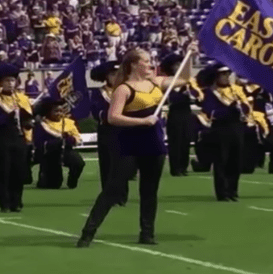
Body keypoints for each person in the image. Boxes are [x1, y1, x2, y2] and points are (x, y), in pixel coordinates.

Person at [77, 46, 197, 248]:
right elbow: (112, 117)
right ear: (134, 64)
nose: (150, 64)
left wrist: (191, 56)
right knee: (113, 189)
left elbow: (183, 79)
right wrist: (142, 122)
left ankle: (147, 233)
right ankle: (88, 232)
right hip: (129, 143)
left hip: (154, 143)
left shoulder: (155, 82)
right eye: (146, 60)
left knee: (150, 191)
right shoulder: (123, 88)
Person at [199, 64, 251, 202]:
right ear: (217, 76)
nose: (226, 77)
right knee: (221, 161)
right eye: (223, 74)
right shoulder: (211, 92)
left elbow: (247, 107)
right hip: (221, 129)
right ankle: (222, 192)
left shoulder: (237, 90)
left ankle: (233, 190)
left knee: (236, 160)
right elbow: (211, 112)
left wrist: (241, 108)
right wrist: (230, 109)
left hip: (236, 127)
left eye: (228, 74)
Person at [0, 63, 34, 212]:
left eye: (12, 80)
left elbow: (27, 120)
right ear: (0, 82)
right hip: (2, 139)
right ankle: (4, 203)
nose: (10, 83)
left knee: (18, 172)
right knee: (4, 172)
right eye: (6, 80)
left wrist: (28, 122)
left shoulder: (21, 99)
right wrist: (9, 116)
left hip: (19, 139)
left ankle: (17, 201)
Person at [89, 61, 127, 204]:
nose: (116, 77)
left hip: (123, 130)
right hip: (107, 130)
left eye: (118, 74)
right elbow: (96, 111)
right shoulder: (99, 92)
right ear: (106, 76)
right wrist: (112, 115)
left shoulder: (125, 90)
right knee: (107, 164)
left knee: (122, 163)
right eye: (112, 74)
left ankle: (122, 195)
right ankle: (109, 195)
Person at [33, 97, 85, 189]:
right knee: (52, 185)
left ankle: (72, 181)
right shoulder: (42, 124)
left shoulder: (69, 122)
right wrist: (57, 141)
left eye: (61, 111)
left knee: (78, 163)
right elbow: (39, 143)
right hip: (48, 154)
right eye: (56, 111)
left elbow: (77, 139)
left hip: (65, 151)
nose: (59, 114)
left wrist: (69, 139)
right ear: (48, 112)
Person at [160, 53, 193, 177]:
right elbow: (169, 99)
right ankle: (176, 168)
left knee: (186, 140)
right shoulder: (168, 82)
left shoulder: (188, 81)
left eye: (180, 64)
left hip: (186, 112)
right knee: (176, 141)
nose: (179, 66)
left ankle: (184, 166)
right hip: (174, 113)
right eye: (176, 65)